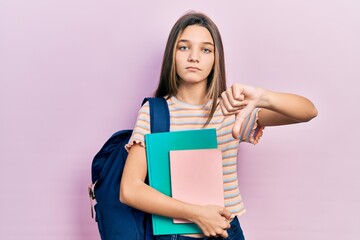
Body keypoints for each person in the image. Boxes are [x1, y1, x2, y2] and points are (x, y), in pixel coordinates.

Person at [120, 11, 318, 240]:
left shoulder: (230, 109)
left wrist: (262, 96)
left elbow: (308, 111)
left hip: (227, 232)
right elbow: (130, 189)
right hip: (176, 235)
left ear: (216, 58)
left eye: (206, 49)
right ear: (171, 55)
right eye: (184, 47)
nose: (194, 57)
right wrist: (197, 214)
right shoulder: (154, 112)